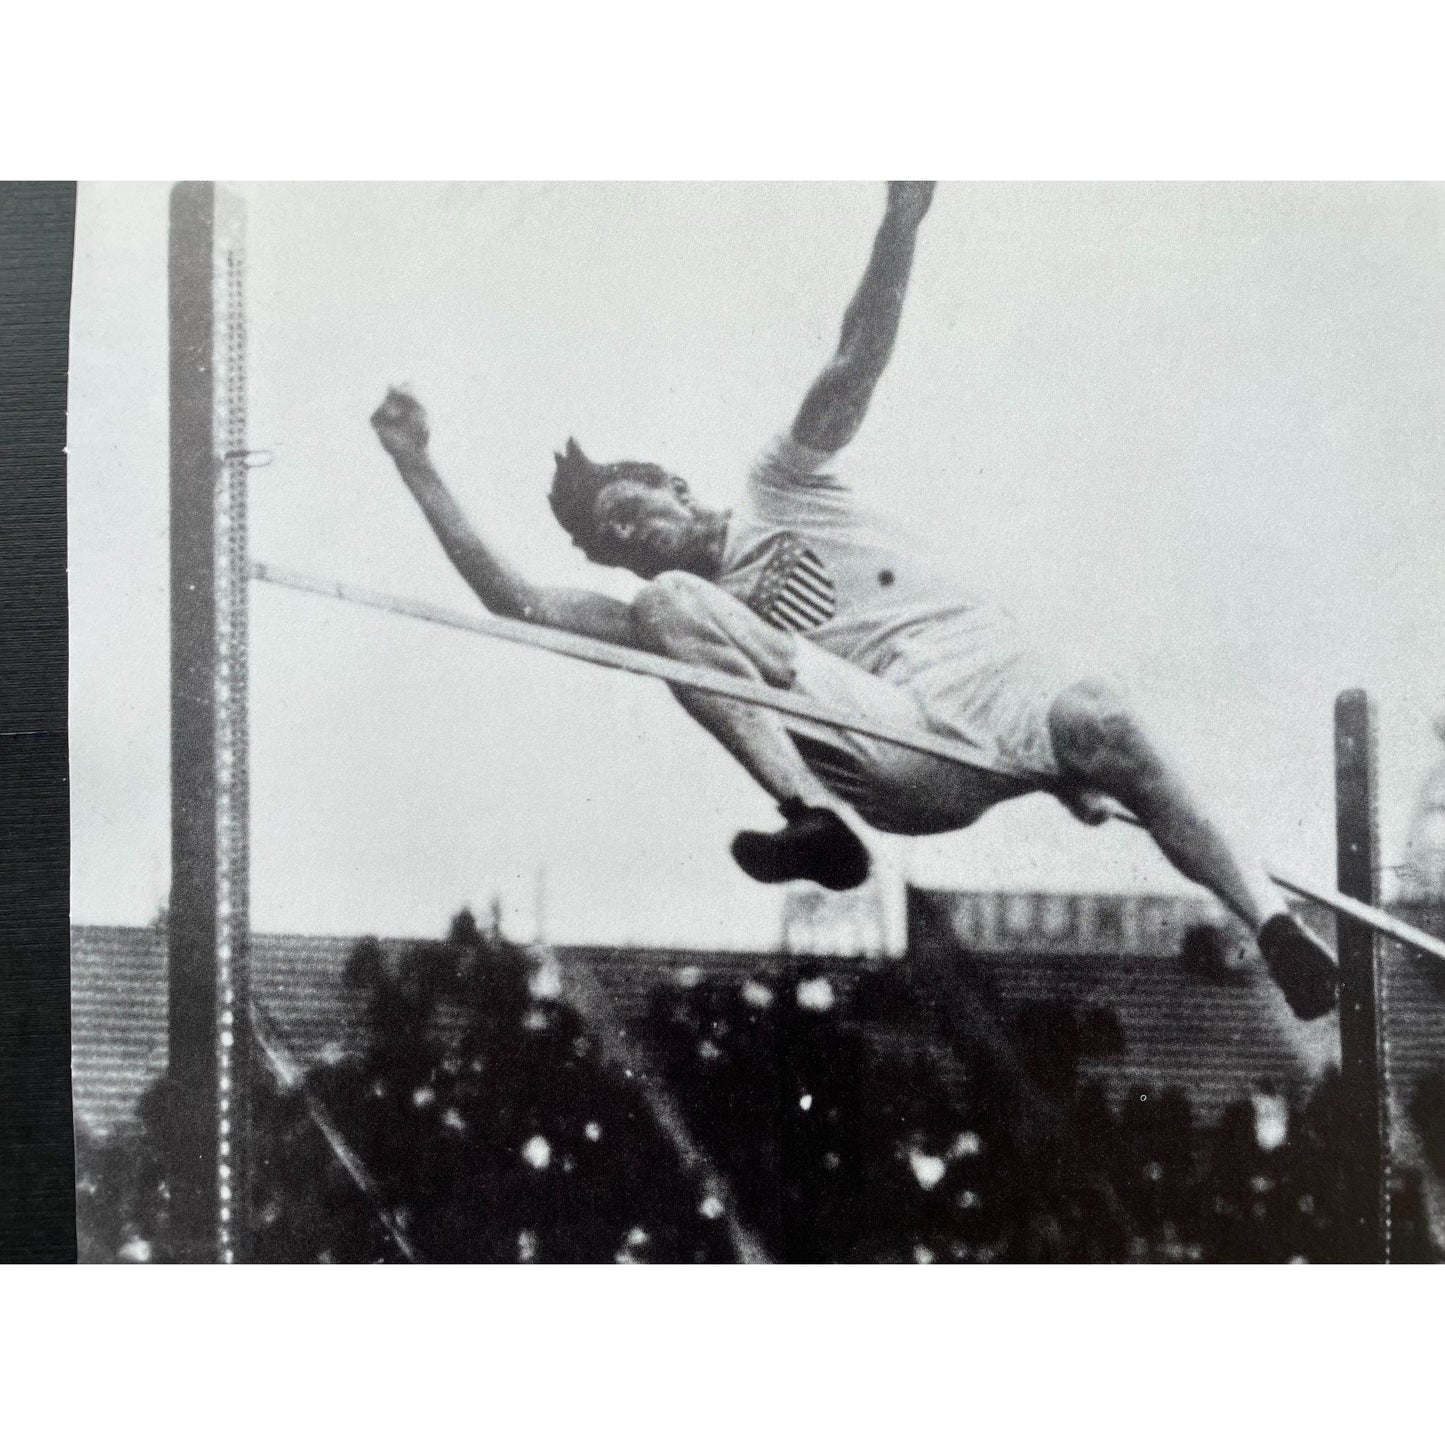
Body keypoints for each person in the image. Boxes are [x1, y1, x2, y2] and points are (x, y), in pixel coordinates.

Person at [369, 181, 1336, 1021]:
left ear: (673, 483)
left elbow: (852, 362)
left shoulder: (779, 484)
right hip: (885, 743)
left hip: (996, 684)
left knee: (1108, 721)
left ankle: (1277, 929)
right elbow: (513, 598)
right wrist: (417, 466)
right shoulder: (671, 614)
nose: (632, 538)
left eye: (631, 509)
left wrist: (901, 220)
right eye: (610, 542)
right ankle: (811, 817)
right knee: (670, 612)